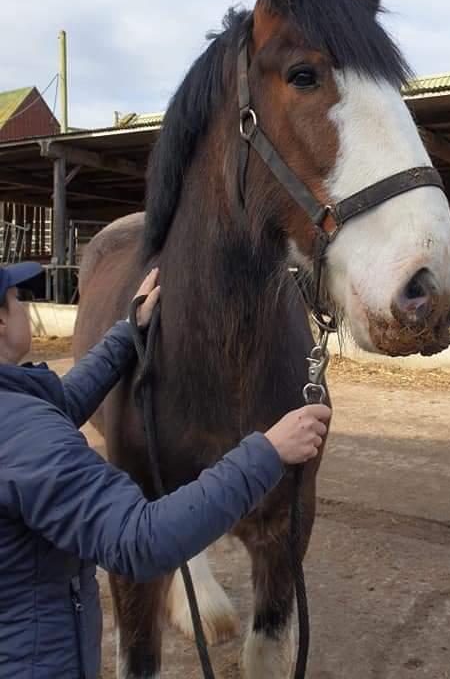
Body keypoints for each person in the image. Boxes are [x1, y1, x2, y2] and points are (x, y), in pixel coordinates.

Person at [0, 262, 331, 679]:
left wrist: (128, 332)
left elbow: (58, 406)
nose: (24, 307)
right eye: (17, 299)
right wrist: (267, 453)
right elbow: (138, 540)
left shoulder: (15, 412)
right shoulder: (24, 435)